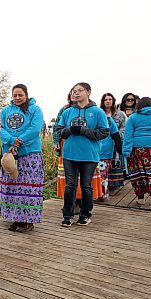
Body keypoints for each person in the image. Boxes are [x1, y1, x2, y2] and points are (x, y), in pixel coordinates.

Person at [57, 83, 109, 227]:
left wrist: (84, 131)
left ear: (88, 92)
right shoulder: (67, 112)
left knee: (86, 186)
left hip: (89, 155)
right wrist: (71, 130)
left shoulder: (98, 112)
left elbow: (104, 132)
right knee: (70, 185)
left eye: (80, 90)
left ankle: (85, 214)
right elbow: (60, 131)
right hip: (69, 154)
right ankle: (67, 215)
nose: (77, 93)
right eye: (75, 91)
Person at [0, 84, 44, 232]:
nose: (17, 98)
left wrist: (19, 141)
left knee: (27, 188)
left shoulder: (35, 110)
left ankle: (28, 220)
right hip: (11, 155)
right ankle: (15, 218)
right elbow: (0, 128)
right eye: (15, 95)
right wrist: (11, 141)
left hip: (29, 154)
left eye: (20, 95)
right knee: (12, 186)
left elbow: (35, 129)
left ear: (26, 95)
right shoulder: (5, 111)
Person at [100, 93, 126, 191]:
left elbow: (124, 128)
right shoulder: (99, 113)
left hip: (116, 141)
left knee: (115, 164)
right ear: (103, 101)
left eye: (110, 99)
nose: (108, 101)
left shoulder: (120, 114)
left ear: (113, 101)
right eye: (105, 99)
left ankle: (114, 184)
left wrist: (117, 136)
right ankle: (102, 188)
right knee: (102, 165)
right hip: (102, 143)